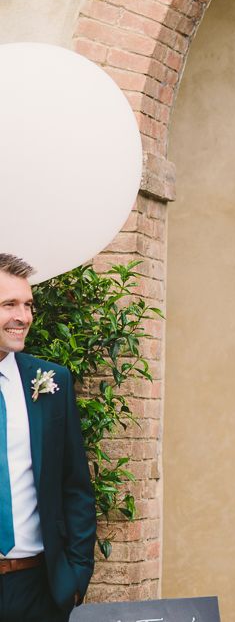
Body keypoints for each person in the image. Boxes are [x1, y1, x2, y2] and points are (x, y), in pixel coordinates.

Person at [0, 254, 95, 621]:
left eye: (28, 305)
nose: (22, 317)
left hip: (39, 587)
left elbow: (76, 487)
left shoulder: (52, 382)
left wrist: (75, 575)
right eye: (9, 304)